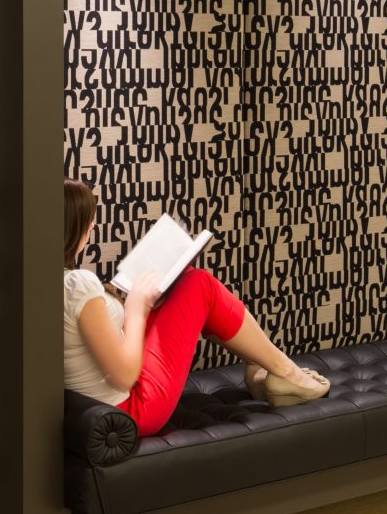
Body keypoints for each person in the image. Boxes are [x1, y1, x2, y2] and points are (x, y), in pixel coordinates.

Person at [63, 178, 330, 437]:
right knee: (199, 284)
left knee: (183, 283)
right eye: (89, 218)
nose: (94, 225)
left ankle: (266, 366)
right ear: (72, 227)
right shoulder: (78, 283)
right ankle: (285, 372)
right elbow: (123, 376)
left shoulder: (44, 283)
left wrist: (122, 300)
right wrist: (136, 309)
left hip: (99, 406)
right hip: (131, 410)